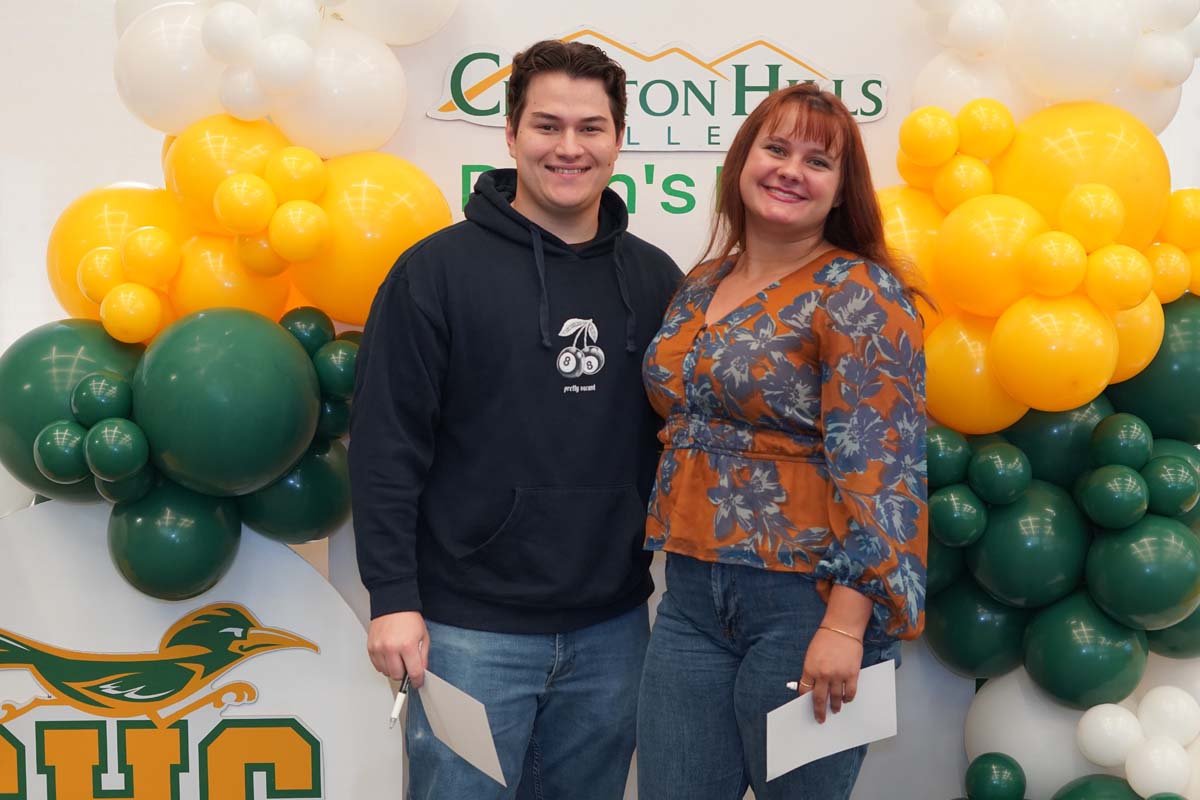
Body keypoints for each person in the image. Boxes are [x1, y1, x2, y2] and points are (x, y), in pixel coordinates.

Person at [349, 39, 682, 800]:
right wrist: (393, 599)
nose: (569, 147)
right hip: (467, 631)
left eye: (591, 128)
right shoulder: (434, 273)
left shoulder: (657, 279)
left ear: (619, 138)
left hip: (614, 628)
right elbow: (385, 448)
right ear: (510, 134)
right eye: (547, 125)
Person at [636, 82, 928, 799]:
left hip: (808, 603)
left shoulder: (860, 291)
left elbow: (884, 471)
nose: (791, 169)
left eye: (817, 161)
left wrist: (847, 626)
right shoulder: (701, 283)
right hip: (692, 594)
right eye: (776, 148)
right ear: (742, 161)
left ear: (840, 191)